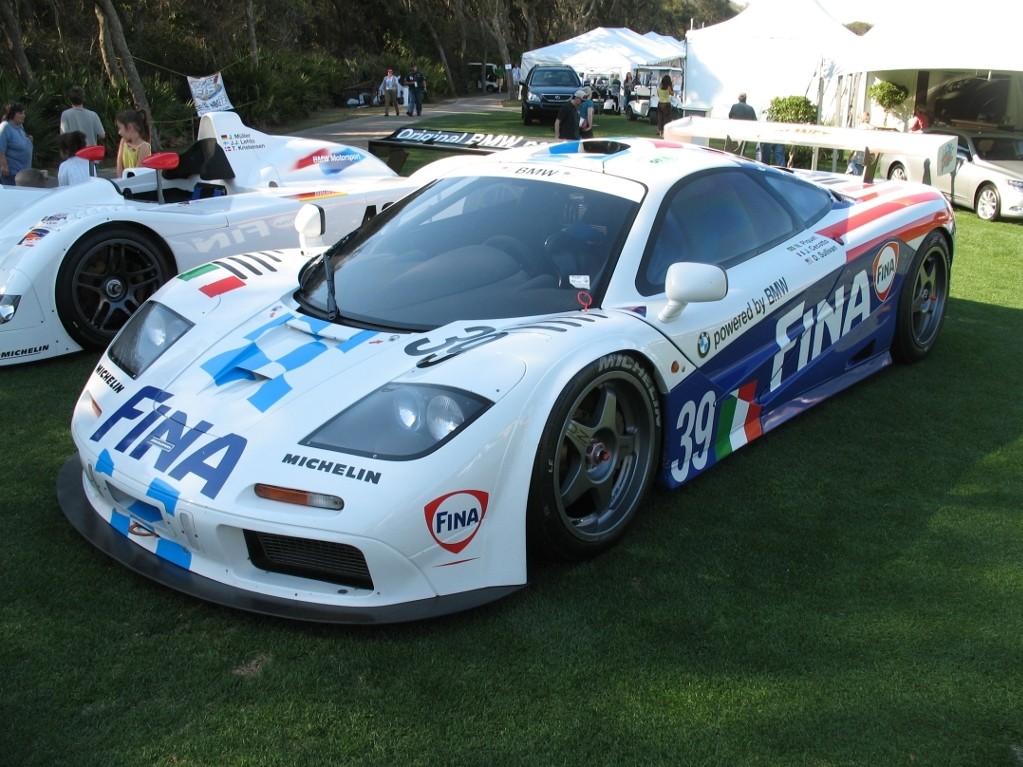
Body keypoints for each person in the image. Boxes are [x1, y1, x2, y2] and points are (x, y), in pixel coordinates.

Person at [0, 101, 33, 186]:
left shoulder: (20, 127)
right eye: (20, 113)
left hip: (23, 172)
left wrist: (28, 139)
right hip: (12, 173)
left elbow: (18, 141)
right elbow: (1, 148)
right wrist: (4, 166)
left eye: (24, 113)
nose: (23, 116)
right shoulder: (5, 127)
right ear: (12, 114)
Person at [114, 108, 152, 176]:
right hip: (125, 183)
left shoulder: (144, 147)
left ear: (129, 127)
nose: (119, 132)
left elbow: (137, 174)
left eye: (120, 128)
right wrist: (121, 182)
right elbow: (119, 165)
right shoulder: (123, 141)